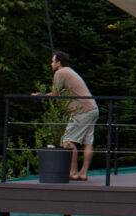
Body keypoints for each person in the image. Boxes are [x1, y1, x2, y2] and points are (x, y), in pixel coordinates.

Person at [35, 51, 99, 180]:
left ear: (58, 63)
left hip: (81, 110)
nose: (51, 64)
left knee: (68, 141)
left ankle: (73, 173)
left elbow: (55, 93)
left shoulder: (60, 72)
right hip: (92, 108)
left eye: (52, 61)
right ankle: (83, 173)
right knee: (87, 142)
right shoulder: (70, 72)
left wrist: (40, 96)